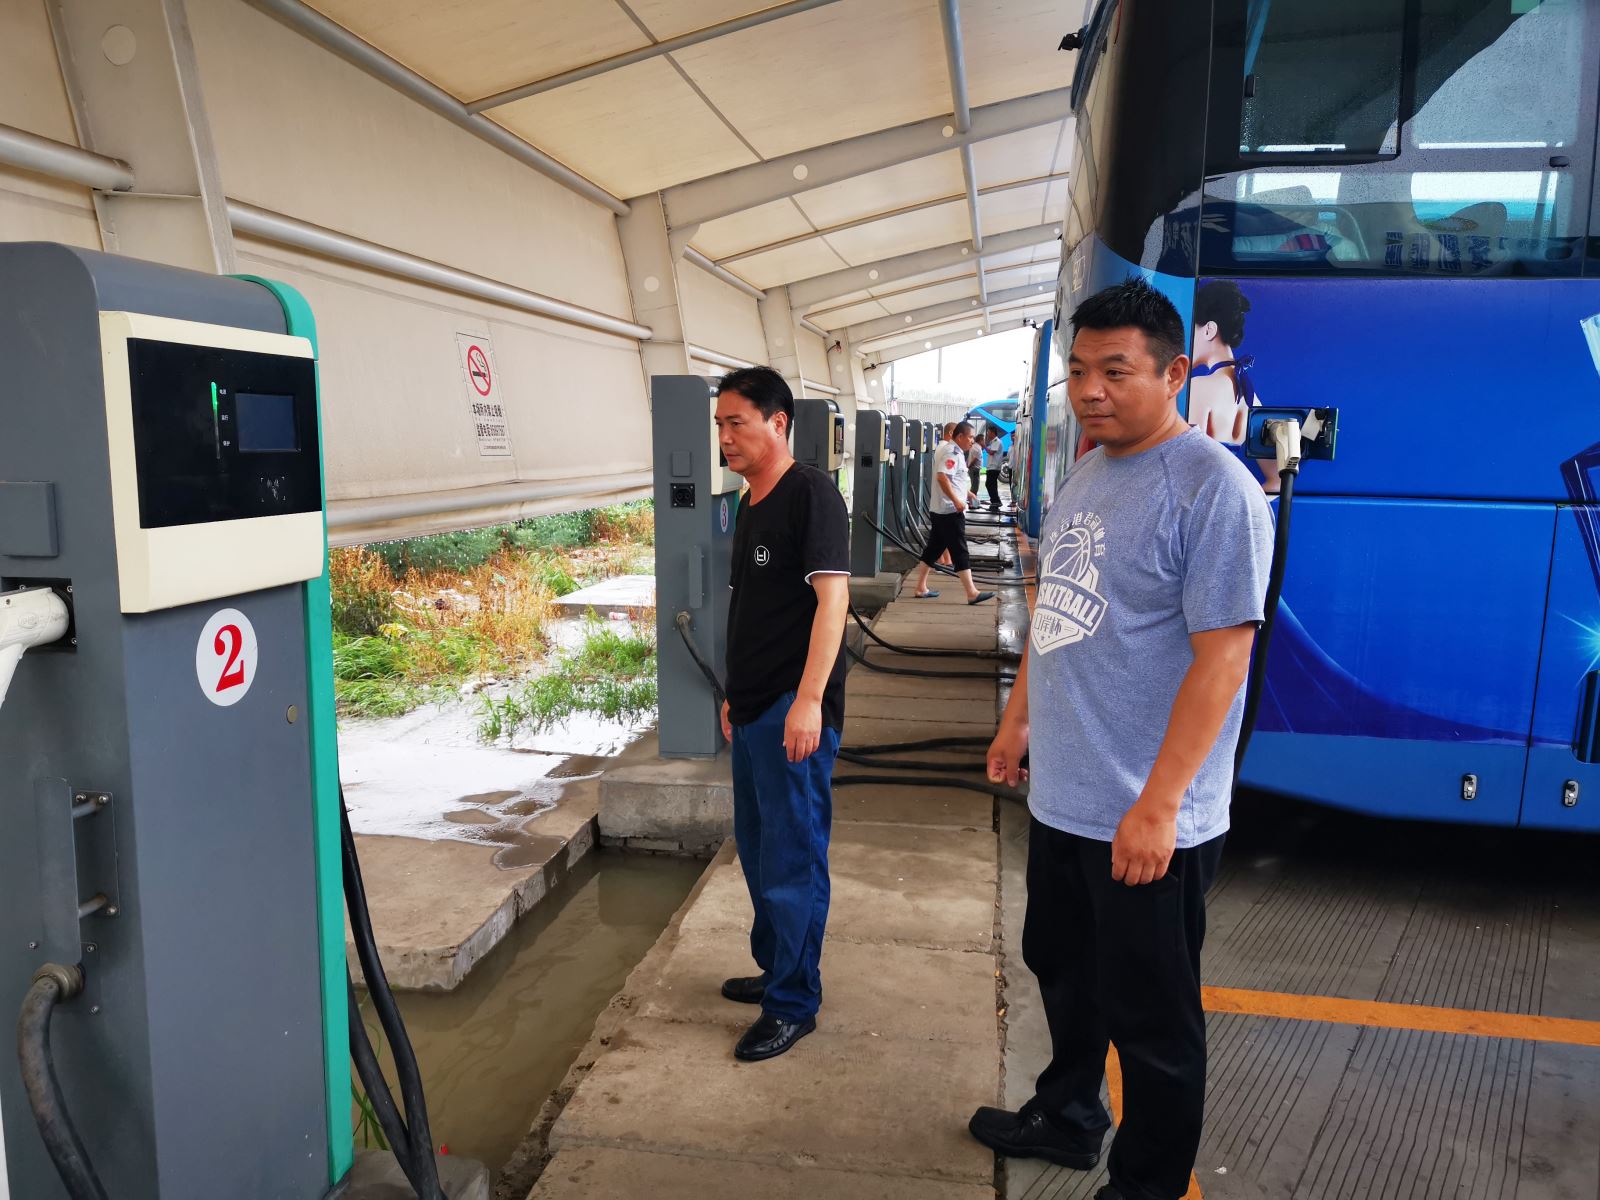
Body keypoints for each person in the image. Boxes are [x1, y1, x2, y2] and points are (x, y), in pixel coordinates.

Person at [967, 280, 1273, 1200]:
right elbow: (1058, 613)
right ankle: (1069, 1115)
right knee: (1063, 971)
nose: (1089, 391)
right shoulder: (1089, 473)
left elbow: (1224, 662)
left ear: (1175, 374)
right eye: (1077, 372)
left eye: (1115, 371)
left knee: (1153, 1025)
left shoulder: (1214, 490)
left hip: (1145, 818)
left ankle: (1145, 1186)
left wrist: (1160, 805)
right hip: (1066, 797)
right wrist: (1019, 719)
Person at [713, 365, 851, 1063]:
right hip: (753, 708)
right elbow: (752, 608)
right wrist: (733, 694)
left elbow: (833, 603)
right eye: (719, 425)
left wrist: (809, 701)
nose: (725, 437)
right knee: (759, 846)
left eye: (736, 423)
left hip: (793, 713)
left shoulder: (810, 495)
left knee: (794, 857)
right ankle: (775, 968)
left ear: (778, 422)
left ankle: (794, 1002)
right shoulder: (750, 502)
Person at [1188, 279, 1279, 493]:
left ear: (1209, 330)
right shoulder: (1249, 395)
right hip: (1230, 503)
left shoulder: (1198, 388)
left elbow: (1186, 471)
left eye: (1190, 331)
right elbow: (1278, 482)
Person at [911, 421, 996, 605]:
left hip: (941, 510)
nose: (972, 441)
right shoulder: (952, 453)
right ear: (959, 436)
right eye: (970, 437)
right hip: (949, 511)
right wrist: (957, 500)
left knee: (933, 550)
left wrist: (967, 493)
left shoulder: (954, 451)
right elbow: (942, 477)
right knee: (960, 550)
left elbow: (954, 480)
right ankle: (972, 592)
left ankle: (920, 587)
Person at [982, 427, 1004, 510]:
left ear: (992, 433)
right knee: (991, 485)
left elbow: (991, 452)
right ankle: (995, 501)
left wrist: (984, 446)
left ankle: (995, 501)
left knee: (989, 484)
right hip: (992, 467)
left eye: (988, 432)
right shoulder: (993, 442)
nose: (987, 434)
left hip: (994, 467)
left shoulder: (996, 441)